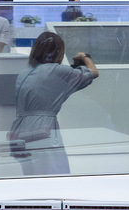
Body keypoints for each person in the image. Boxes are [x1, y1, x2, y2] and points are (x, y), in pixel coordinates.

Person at [9, 32, 98, 175]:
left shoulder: (25, 73)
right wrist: (84, 57)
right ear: (58, 52)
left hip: (19, 130)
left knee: (31, 176)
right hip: (43, 131)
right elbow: (93, 72)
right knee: (55, 175)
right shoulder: (57, 71)